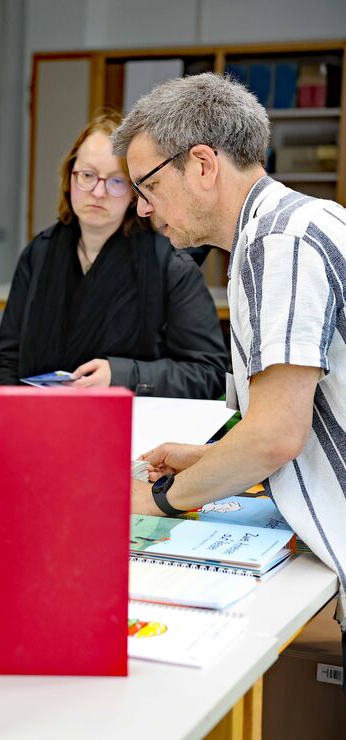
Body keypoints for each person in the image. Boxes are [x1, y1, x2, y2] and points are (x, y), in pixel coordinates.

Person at [113, 73, 346, 624]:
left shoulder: (279, 242)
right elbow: (295, 419)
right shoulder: (301, 221)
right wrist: (213, 461)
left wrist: (160, 500)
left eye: (147, 187)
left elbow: (275, 435)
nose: (143, 210)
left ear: (201, 164)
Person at [0, 110, 227, 397]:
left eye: (116, 181)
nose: (98, 192)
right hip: (40, 421)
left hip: (133, 429)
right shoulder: (39, 253)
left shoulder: (170, 265)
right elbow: (7, 359)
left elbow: (208, 372)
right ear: (70, 178)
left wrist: (122, 375)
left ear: (135, 193)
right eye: (87, 175)